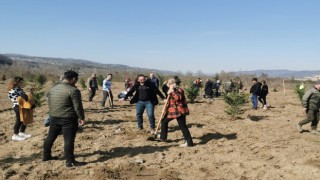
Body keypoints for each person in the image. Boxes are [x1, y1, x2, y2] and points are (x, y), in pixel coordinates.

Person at [43, 70, 86, 167]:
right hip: (68, 119)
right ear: (73, 79)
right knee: (69, 140)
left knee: (50, 137)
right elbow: (78, 107)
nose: (77, 82)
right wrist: (81, 118)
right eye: (76, 80)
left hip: (53, 116)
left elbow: (48, 99)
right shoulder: (73, 90)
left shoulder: (54, 87)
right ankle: (70, 161)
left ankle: (46, 156)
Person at [159, 78, 194, 147]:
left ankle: (189, 142)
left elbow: (178, 98)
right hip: (172, 111)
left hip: (180, 111)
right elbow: (170, 102)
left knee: (182, 126)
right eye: (167, 84)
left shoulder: (179, 90)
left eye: (169, 84)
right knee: (164, 121)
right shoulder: (170, 91)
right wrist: (165, 108)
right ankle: (163, 138)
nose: (168, 85)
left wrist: (171, 91)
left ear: (173, 84)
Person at [8, 77, 32, 141]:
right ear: (17, 82)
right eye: (21, 82)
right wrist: (24, 96)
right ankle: (15, 135)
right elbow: (16, 99)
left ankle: (22, 132)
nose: (23, 83)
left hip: (23, 106)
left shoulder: (19, 89)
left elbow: (23, 96)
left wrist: (28, 94)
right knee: (19, 120)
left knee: (24, 119)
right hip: (17, 106)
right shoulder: (12, 90)